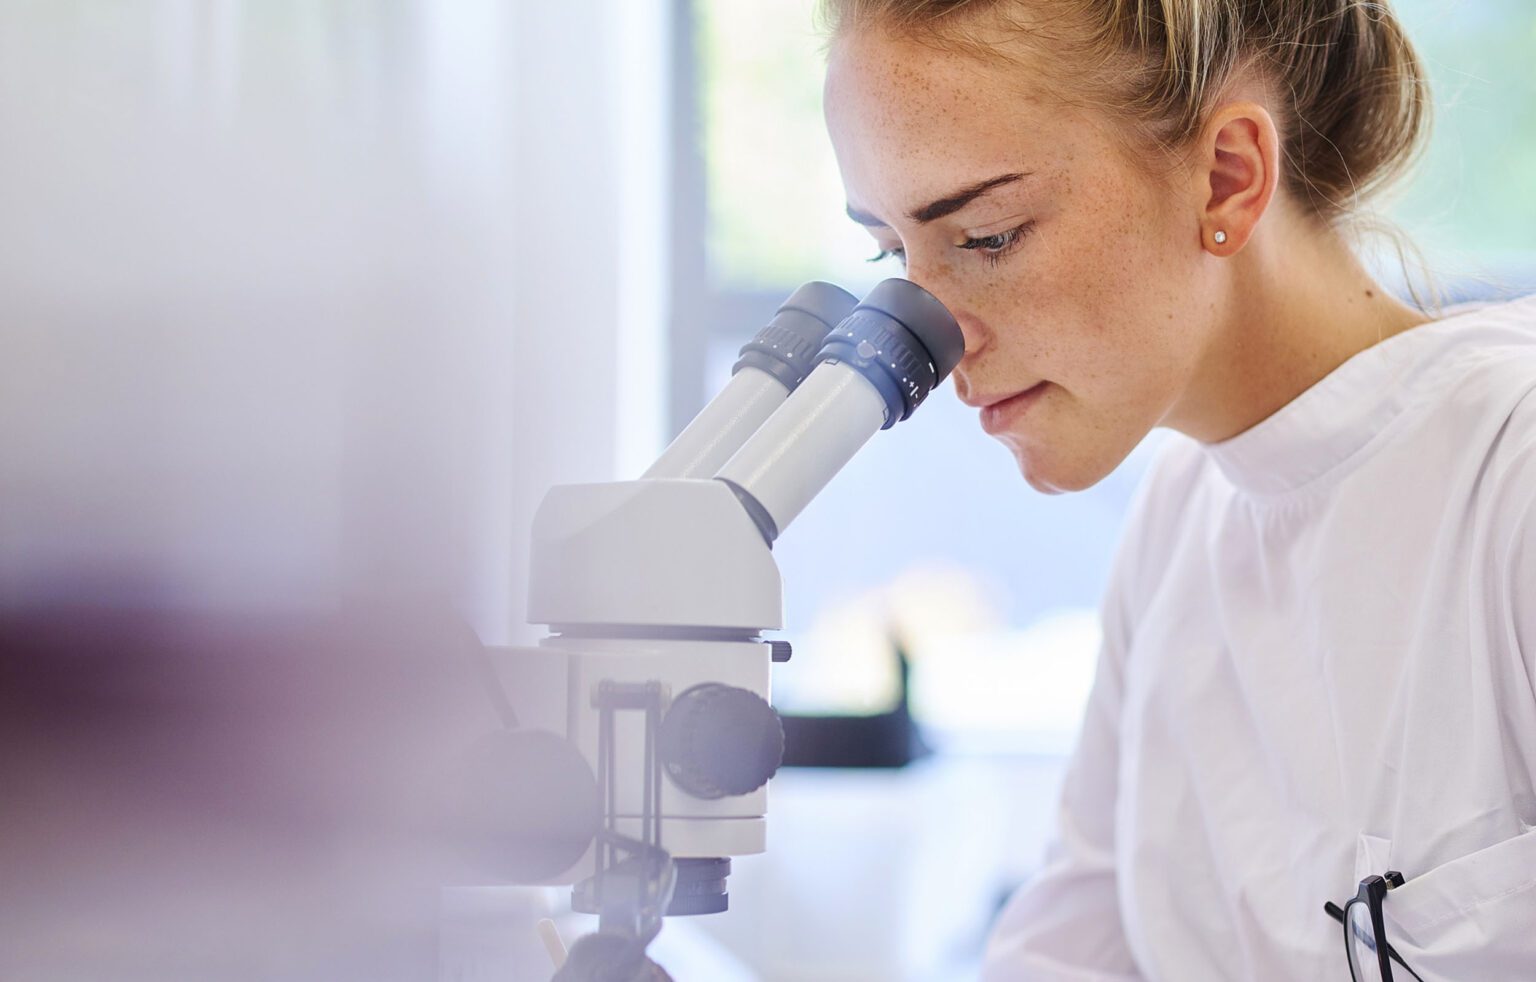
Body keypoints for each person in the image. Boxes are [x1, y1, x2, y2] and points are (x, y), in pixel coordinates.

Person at [818, 1, 1536, 979]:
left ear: (1229, 176)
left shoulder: (1510, 475)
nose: (937, 344)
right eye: (892, 256)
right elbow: (1068, 957)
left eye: (987, 236)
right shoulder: (1180, 521)